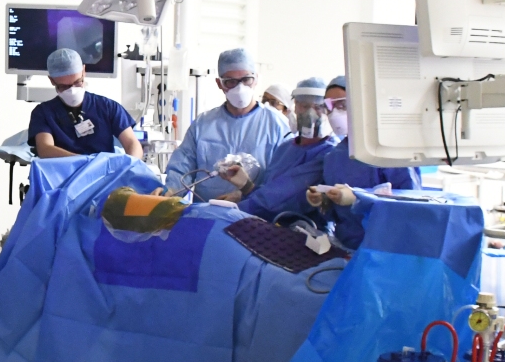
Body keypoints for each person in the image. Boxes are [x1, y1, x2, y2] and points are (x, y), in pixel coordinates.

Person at [303, 75, 421, 248]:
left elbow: (411, 203)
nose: (334, 113)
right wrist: (324, 200)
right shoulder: (335, 156)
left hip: (386, 247)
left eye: (341, 105)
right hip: (348, 246)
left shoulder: (388, 149)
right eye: (329, 106)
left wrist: (359, 198)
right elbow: (336, 217)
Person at [164, 47, 289, 201]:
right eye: (231, 82)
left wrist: (246, 194)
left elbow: (283, 177)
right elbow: (183, 165)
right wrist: (171, 190)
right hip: (208, 213)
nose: (240, 87)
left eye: (246, 79)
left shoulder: (276, 124)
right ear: (219, 83)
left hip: (256, 216)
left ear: (256, 79)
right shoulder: (203, 124)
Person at [222, 76, 340, 221]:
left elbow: (281, 199)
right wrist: (246, 186)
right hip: (268, 225)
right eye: (304, 105)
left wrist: (233, 210)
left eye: (318, 107)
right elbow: (269, 191)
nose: (310, 113)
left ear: (329, 110)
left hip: (301, 232)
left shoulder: (329, 153)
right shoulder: (286, 148)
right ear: (295, 106)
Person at [29, 48, 143, 160]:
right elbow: (45, 149)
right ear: (52, 80)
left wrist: (128, 166)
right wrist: (86, 163)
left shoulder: (108, 107)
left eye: (77, 82)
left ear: (83, 71)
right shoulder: (43, 113)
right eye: (64, 86)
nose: (72, 90)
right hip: (63, 176)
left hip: (105, 175)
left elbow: (132, 143)